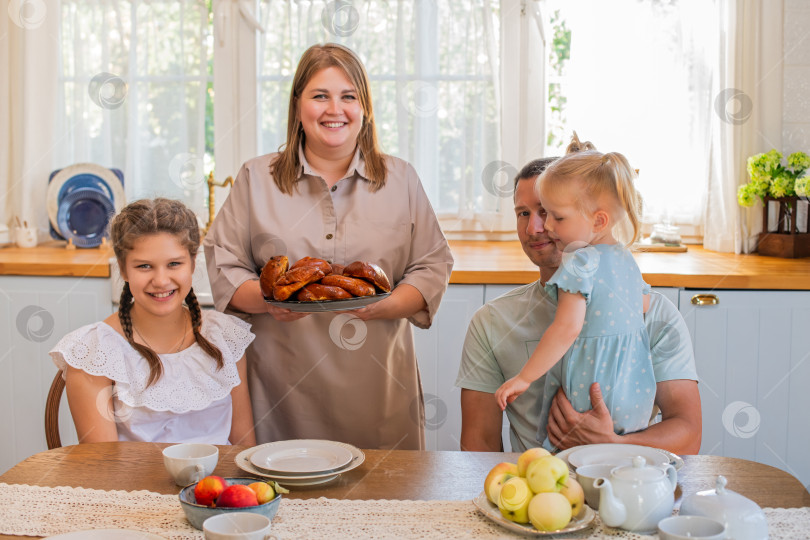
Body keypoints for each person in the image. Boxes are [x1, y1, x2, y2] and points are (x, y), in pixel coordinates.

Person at [204, 43, 453, 450]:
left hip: (378, 390)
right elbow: (223, 264)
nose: (334, 109)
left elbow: (431, 264)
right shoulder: (255, 178)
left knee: (382, 504)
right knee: (285, 501)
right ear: (297, 106)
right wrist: (270, 302)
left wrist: (383, 305)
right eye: (320, 96)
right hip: (280, 389)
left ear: (365, 108)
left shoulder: (401, 178)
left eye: (348, 96)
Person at [456, 143, 701, 454]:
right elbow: (478, 446)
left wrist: (613, 444)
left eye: (549, 213)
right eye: (523, 213)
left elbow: (689, 437)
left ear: (595, 219)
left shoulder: (659, 315)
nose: (537, 227)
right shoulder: (491, 322)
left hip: (628, 485)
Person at [50, 198, 257, 445]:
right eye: (144, 266)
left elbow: (244, 449)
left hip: (221, 484)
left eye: (174, 264)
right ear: (124, 270)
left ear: (192, 263)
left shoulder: (225, 338)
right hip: (129, 484)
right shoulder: (93, 352)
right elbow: (102, 467)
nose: (160, 280)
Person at [494, 147, 655, 451]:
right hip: (635, 392)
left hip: (592, 389)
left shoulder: (581, 262)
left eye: (558, 216)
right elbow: (642, 306)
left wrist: (524, 379)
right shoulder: (626, 259)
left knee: (568, 461)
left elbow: (566, 329)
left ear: (598, 221)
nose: (549, 226)